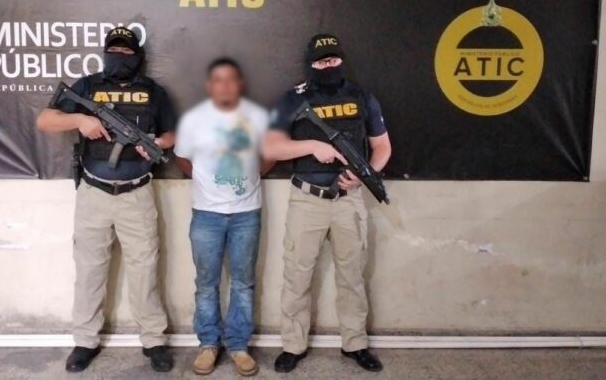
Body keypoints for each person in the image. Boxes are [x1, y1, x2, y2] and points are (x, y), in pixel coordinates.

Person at [36, 27, 176, 374]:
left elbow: (173, 132)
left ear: (137, 56)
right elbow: (45, 120)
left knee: (145, 270)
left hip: (137, 194)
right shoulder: (87, 86)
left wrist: (159, 143)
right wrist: (81, 119)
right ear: (105, 53)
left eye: (127, 52)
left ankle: (153, 340)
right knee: (89, 270)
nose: (121, 56)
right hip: (94, 193)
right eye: (115, 50)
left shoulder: (153, 92)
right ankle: (85, 340)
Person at [262, 34, 392, 374]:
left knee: (352, 276)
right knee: (297, 276)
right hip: (307, 200)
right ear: (311, 65)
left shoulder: (361, 96)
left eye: (333, 60)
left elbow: (382, 147)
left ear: (342, 60)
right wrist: (311, 147)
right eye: (321, 61)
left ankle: (355, 343)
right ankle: (293, 345)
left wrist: (364, 175)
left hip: (348, 201)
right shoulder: (293, 99)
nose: (328, 66)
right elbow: (271, 148)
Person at [174, 58, 273, 376]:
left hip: (246, 213)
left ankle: (238, 346)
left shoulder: (257, 117)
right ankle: (208, 344)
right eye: (218, 79)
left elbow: (270, 154)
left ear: (239, 84)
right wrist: (206, 183)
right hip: (206, 215)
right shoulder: (193, 120)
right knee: (206, 284)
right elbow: (181, 158)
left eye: (231, 79)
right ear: (210, 85)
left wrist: (251, 176)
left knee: (243, 283)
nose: (225, 85)